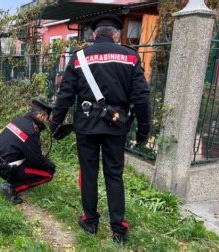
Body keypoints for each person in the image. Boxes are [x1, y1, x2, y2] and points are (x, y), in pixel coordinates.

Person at [49, 14, 151, 244]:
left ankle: (90, 221)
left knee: (89, 174)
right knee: (114, 175)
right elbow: (142, 99)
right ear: (116, 35)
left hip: (87, 125)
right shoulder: (131, 57)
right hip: (117, 126)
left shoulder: (79, 58)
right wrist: (144, 130)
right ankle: (118, 230)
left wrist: (55, 124)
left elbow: (64, 95)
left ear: (94, 35)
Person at [0, 99, 56, 204]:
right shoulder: (31, 131)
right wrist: (51, 165)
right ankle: (12, 187)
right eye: (46, 117)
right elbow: (37, 161)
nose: (45, 120)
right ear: (41, 115)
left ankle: (14, 179)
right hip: (7, 169)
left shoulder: (18, 120)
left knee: (37, 161)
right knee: (48, 173)